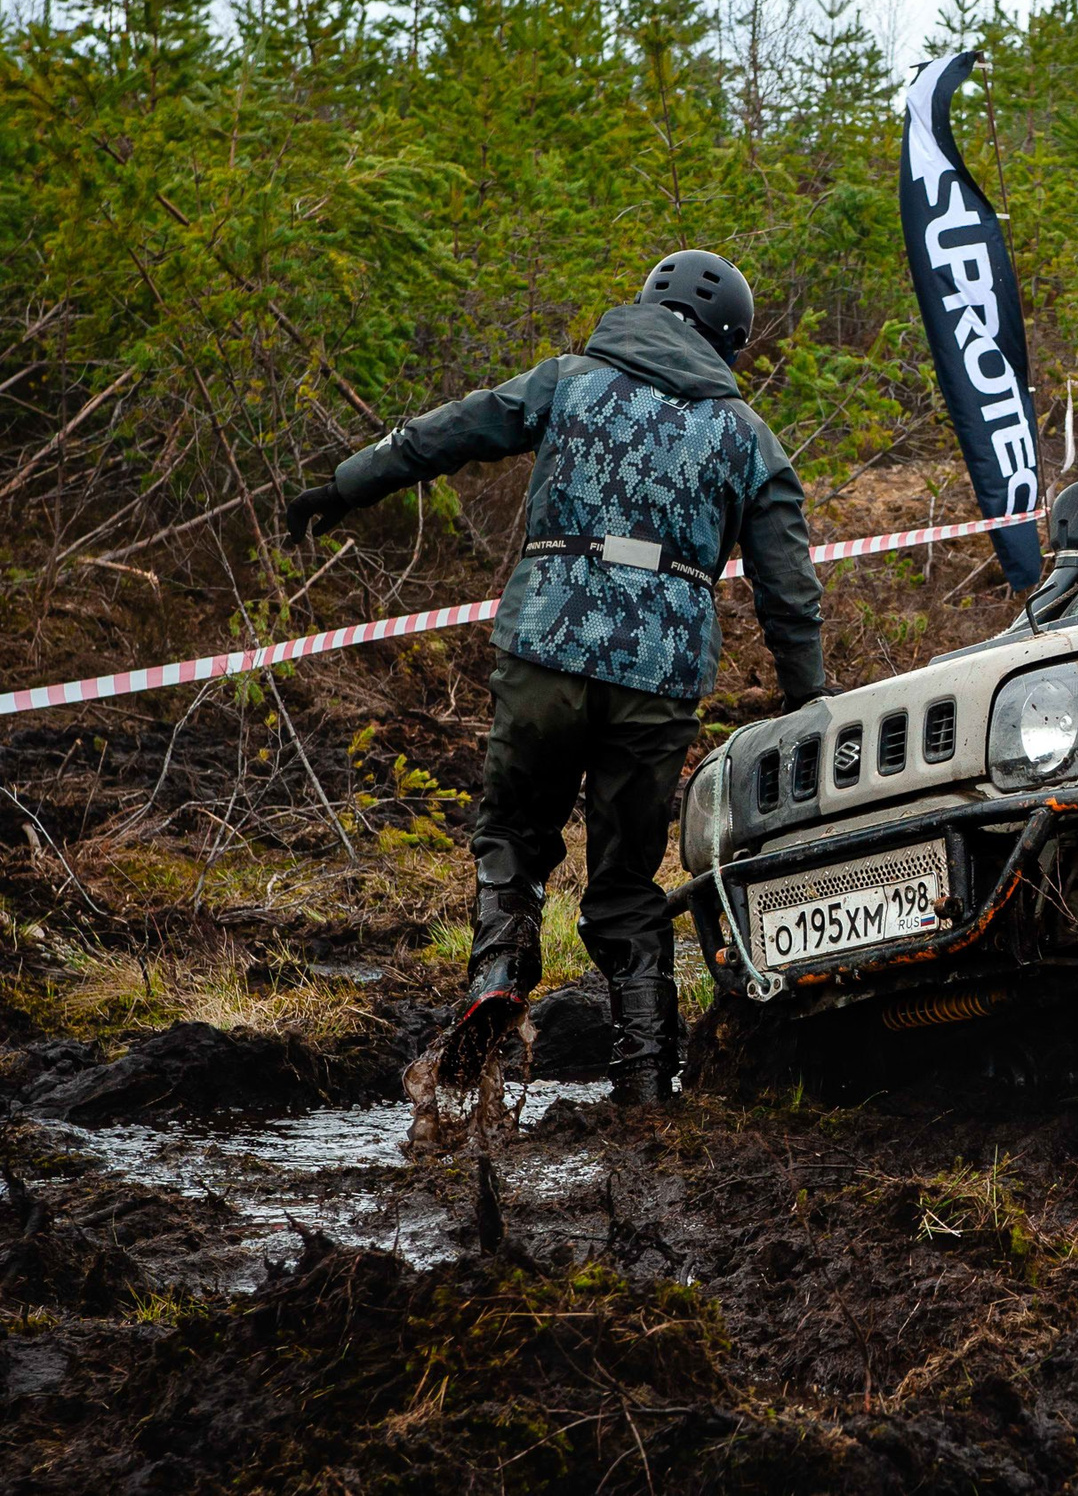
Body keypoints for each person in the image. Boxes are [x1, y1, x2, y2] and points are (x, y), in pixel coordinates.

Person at [283, 250, 827, 1105]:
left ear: (647, 303)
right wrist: (807, 698)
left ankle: (499, 969)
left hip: (545, 650)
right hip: (657, 678)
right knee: (623, 884)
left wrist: (343, 487)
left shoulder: (568, 381)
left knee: (512, 837)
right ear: (728, 341)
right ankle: (647, 1084)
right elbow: (789, 586)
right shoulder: (745, 435)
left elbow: (446, 432)